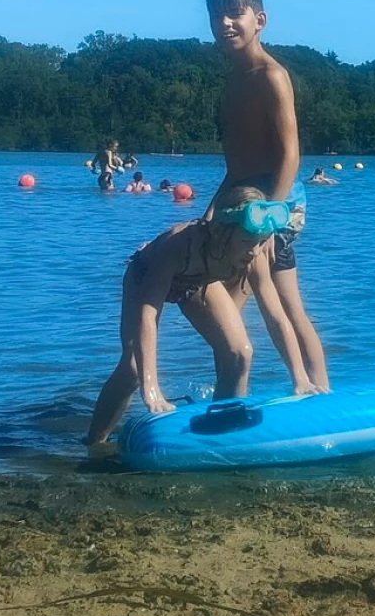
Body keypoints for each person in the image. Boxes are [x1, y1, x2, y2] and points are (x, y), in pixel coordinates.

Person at [82, 184, 278, 456]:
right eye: (249, 241)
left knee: (239, 353)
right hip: (146, 276)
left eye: (259, 241)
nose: (254, 248)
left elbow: (276, 315)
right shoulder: (179, 244)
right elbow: (148, 313)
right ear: (222, 231)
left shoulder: (251, 247)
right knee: (133, 369)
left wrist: (302, 378)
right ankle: (94, 443)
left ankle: (221, 431)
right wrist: (152, 388)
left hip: (194, 282)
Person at [204, 0, 331, 393]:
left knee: (282, 302)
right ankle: (228, 389)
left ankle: (319, 389)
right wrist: (213, 205)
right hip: (242, 195)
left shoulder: (271, 76)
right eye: (215, 15)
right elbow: (237, 159)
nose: (224, 23)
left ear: (259, 20)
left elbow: (290, 155)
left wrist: (270, 220)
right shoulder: (231, 81)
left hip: (278, 200)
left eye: (234, 14)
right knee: (225, 298)